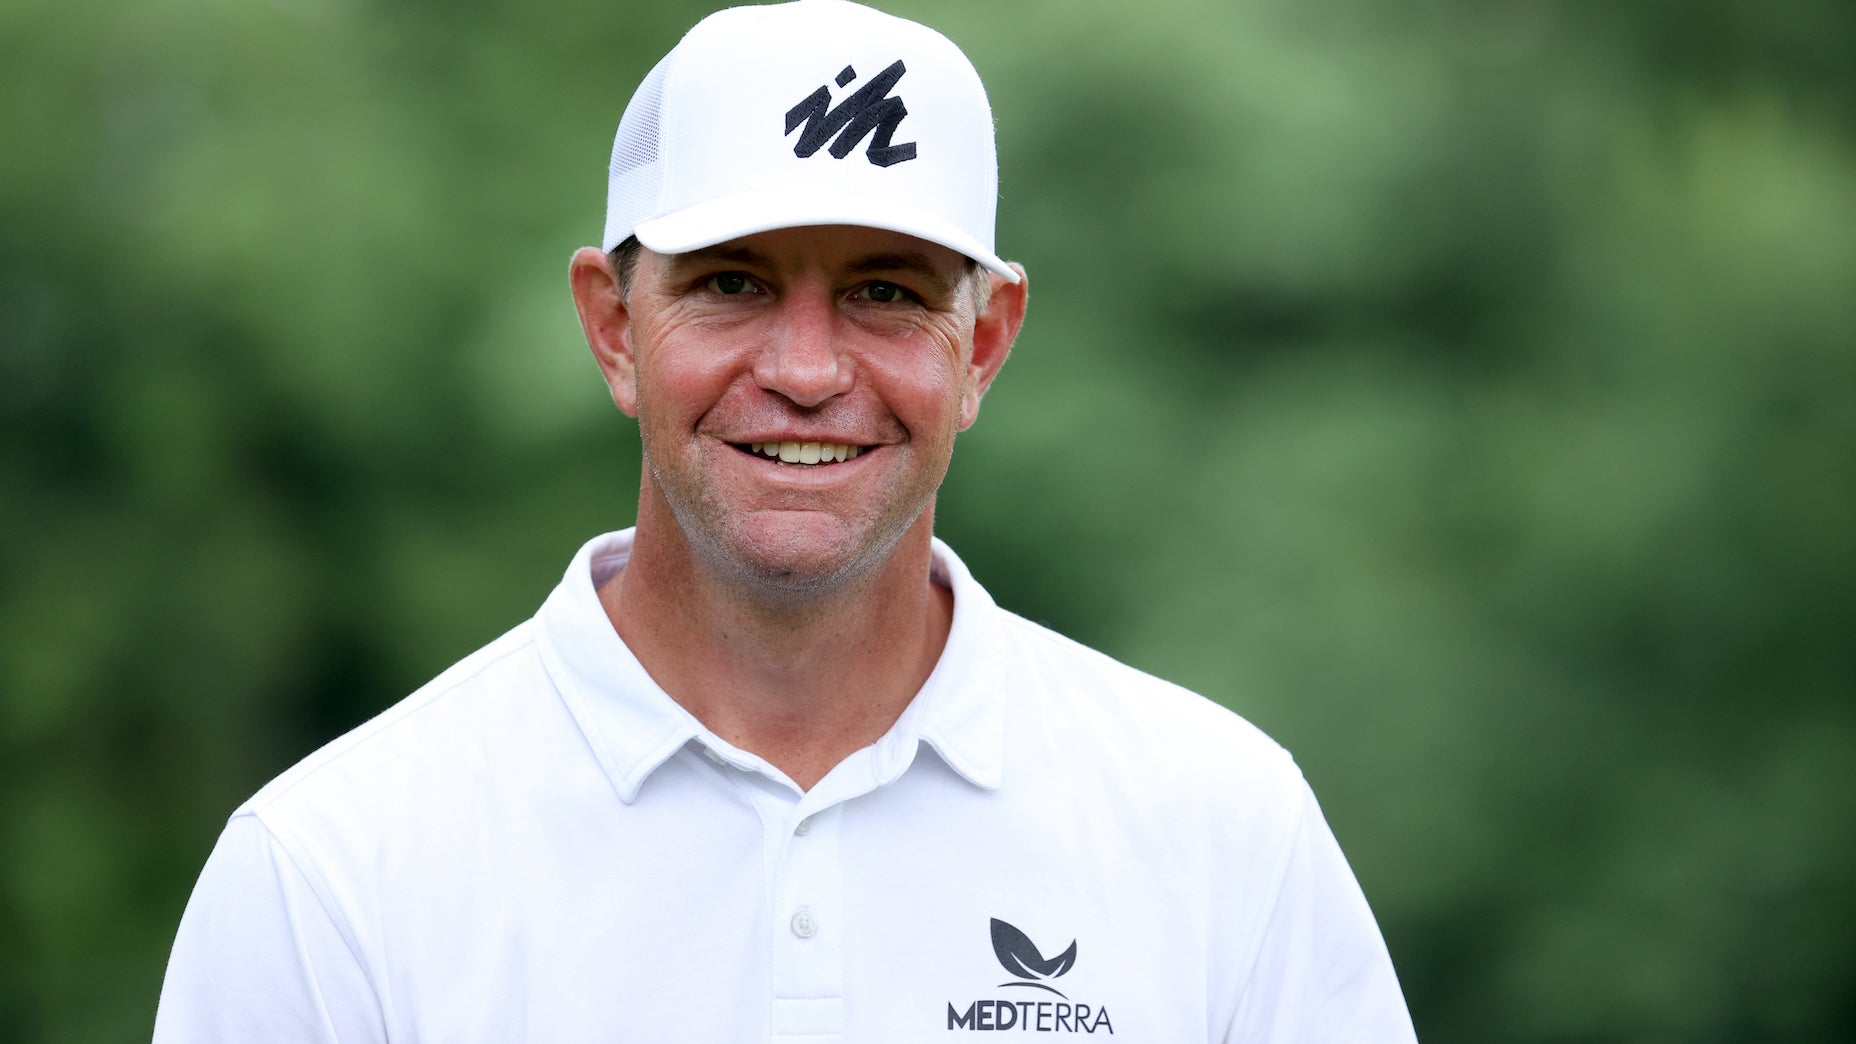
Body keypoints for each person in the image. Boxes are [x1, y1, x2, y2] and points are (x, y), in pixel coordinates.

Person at [154, 1, 1418, 1040]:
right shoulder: (330, 873)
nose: (806, 370)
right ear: (612, 327)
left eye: (885, 292)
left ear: (982, 343)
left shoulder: (1222, 831)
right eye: (731, 283)